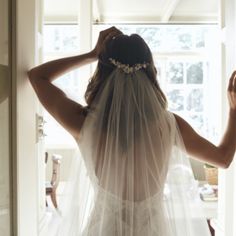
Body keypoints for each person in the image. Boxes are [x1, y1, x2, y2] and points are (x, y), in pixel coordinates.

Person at [28, 26, 236, 236]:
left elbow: (38, 77)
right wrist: (234, 111)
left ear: (103, 71)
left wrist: (92, 55)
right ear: (150, 72)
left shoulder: (83, 123)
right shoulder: (170, 125)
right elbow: (223, 158)